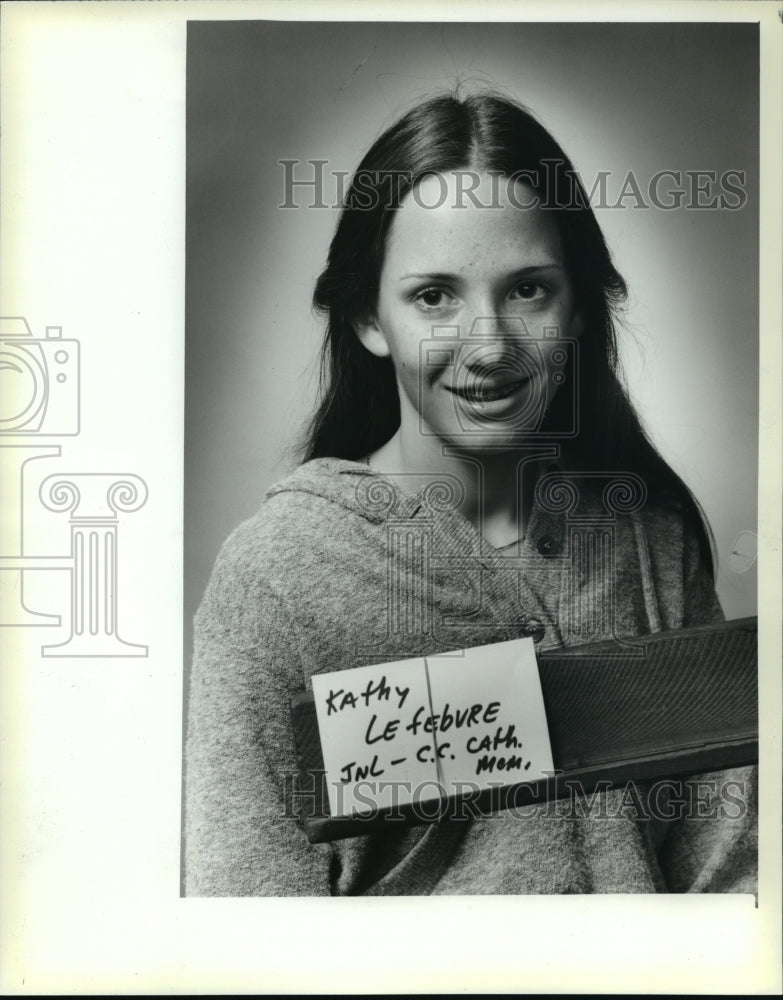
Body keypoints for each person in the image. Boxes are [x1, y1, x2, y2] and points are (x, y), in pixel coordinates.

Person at [184, 92, 757, 896]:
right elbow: (245, 915)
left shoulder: (647, 540)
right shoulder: (277, 575)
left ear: (581, 307)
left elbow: (733, 874)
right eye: (433, 296)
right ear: (368, 320)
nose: (486, 345)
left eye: (528, 290)